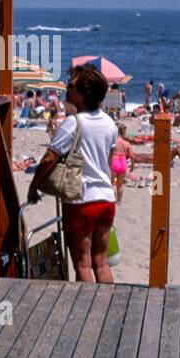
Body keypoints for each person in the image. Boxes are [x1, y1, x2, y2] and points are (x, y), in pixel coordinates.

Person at [26, 65, 118, 284]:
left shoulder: (73, 123)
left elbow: (49, 158)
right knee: (102, 262)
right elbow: (109, 163)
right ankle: (111, 309)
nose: (67, 89)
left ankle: (88, 313)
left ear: (84, 93)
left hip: (81, 200)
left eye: (71, 86)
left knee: (83, 263)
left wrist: (33, 186)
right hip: (106, 199)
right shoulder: (110, 123)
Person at [112, 123, 133, 204]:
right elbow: (132, 156)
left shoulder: (113, 141)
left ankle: (112, 200)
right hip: (123, 162)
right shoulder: (126, 143)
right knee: (120, 184)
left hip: (114, 161)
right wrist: (133, 166)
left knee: (111, 184)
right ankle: (119, 201)